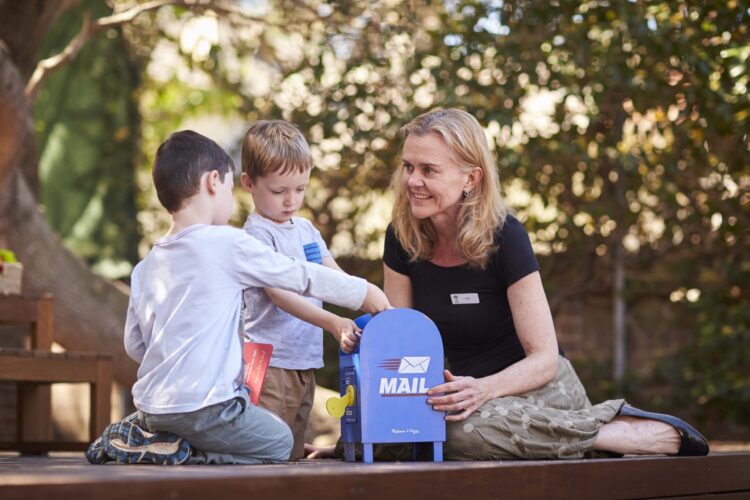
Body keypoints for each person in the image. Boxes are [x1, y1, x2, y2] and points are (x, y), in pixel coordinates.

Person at [306, 108, 708, 461]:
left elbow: (544, 360)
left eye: (429, 170)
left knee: (453, 434)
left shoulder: (505, 235)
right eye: (409, 166)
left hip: (539, 392)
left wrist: (483, 389)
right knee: (431, 432)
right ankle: (601, 433)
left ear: (471, 178)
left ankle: (611, 432)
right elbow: (397, 351)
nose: (413, 180)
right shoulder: (402, 238)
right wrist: (355, 444)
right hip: (470, 401)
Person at [89, 130, 389, 465]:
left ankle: (149, 434)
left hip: (150, 406)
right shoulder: (226, 243)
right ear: (213, 181)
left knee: (272, 441)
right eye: (231, 188)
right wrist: (365, 292)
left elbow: (135, 346)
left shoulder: (146, 267)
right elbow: (298, 275)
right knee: (279, 444)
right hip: (208, 407)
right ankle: (184, 451)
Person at [239, 120, 365, 461]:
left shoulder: (306, 230)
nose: (291, 200)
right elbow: (281, 294)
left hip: (303, 362)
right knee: (266, 452)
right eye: (279, 191)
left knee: (293, 449)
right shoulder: (256, 238)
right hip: (271, 365)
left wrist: (366, 303)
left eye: (300, 189)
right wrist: (333, 323)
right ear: (249, 183)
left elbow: (332, 274)